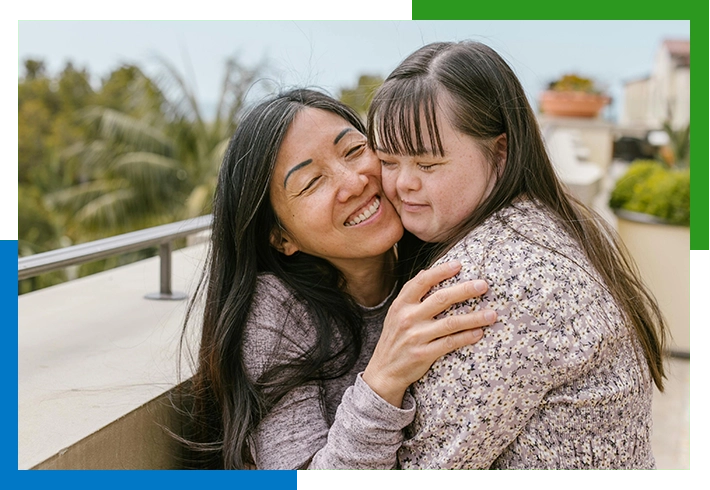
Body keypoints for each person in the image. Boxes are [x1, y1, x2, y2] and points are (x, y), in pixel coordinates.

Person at [367, 41, 667, 470]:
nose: (402, 184)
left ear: (501, 153)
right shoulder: (544, 223)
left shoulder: (498, 281)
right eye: (388, 160)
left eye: (427, 164)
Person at [178, 88, 497, 470]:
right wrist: (383, 379)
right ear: (281, 237)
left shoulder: (446, 249)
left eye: (354, 151)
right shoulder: (276, 312)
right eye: (312, 182)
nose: (355, 182)